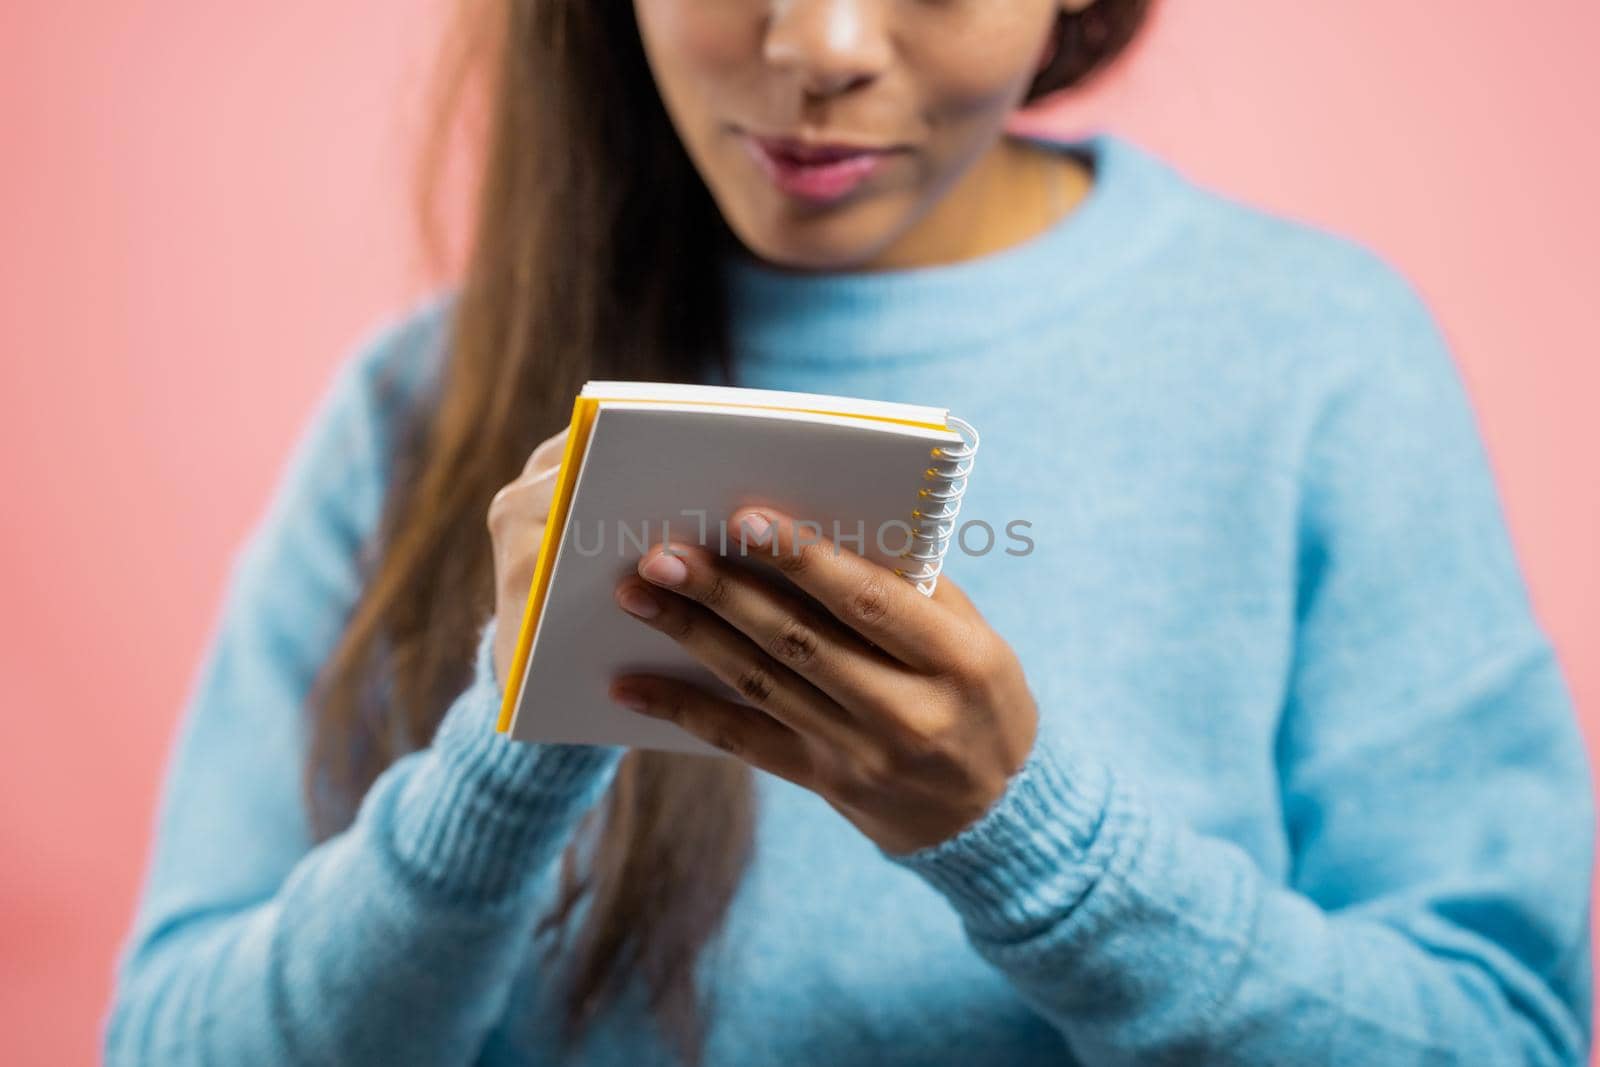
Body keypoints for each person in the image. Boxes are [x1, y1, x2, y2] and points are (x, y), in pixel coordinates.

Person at [105, 2, 1595, 1064]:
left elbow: (1504, 1036)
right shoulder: (417, 404)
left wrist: (1029, 845)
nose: (820, 44)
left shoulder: (1313, 356)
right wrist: (505, 761)